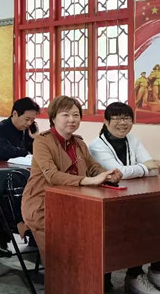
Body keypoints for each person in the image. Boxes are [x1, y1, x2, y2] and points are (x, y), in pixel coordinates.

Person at [87, 102, 160, 294]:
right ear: (106, 122)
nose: (123, 123)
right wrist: (144, 168)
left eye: (127, 118)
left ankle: (156, 270)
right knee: (133, 229)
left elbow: (155, 170)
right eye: (117, 118)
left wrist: (138, 170)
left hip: (136, 195)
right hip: (108, 201)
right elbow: (118, 173)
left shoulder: (133, 140)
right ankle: (134, 275)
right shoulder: (96, 146)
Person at [21, 95, 120, 261]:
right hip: (44, 204)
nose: (72, 119)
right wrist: (88, 180)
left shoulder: (79, 142)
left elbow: (93, 167)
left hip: (76, 202)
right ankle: (70, 273)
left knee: (106, 225)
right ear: (53, 118)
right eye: (65, 115)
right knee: (72, 239)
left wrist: (107, 175)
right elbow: (52, 175)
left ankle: (96, 270)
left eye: (76, 115)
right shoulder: (42, 142)